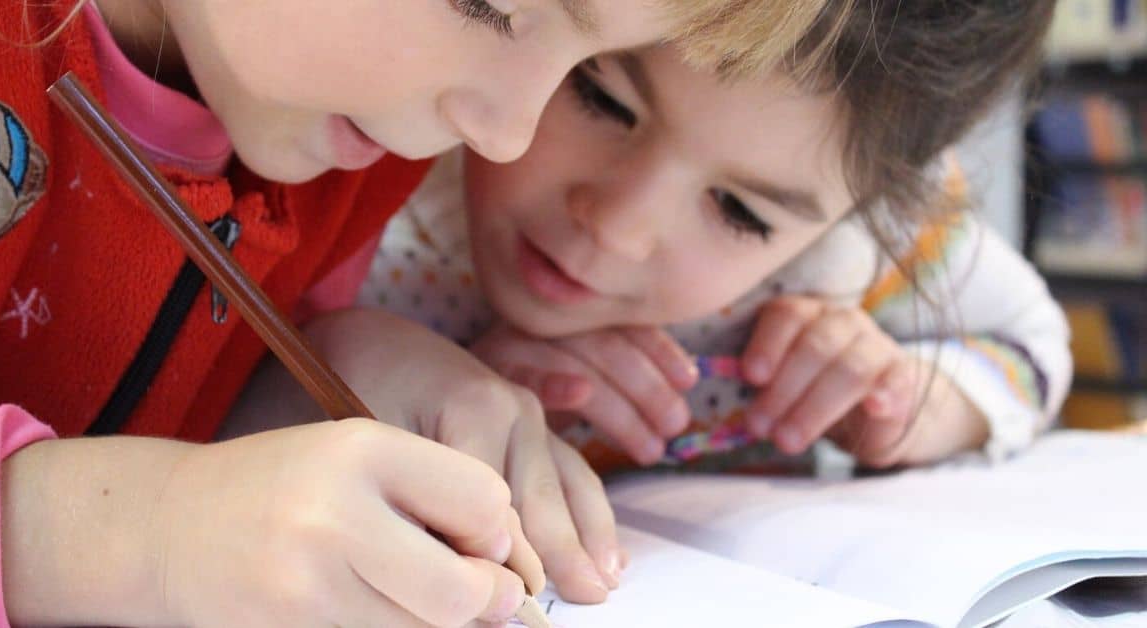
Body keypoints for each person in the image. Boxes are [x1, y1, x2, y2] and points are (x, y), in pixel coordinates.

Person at [0, 0, 838, 625]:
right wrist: (150, 533)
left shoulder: (347, 144)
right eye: (487, 5)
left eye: (576, 68)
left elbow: (170, 414)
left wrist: (327, 374)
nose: (506, 135)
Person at [343, 0, 1070, 476]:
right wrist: (434, 391)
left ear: (865, 209)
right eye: (600, 98)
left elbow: (1034, 343)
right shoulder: (369, 173)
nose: (619, 227)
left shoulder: (857, 254)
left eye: (740, 212)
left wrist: (921, 404)